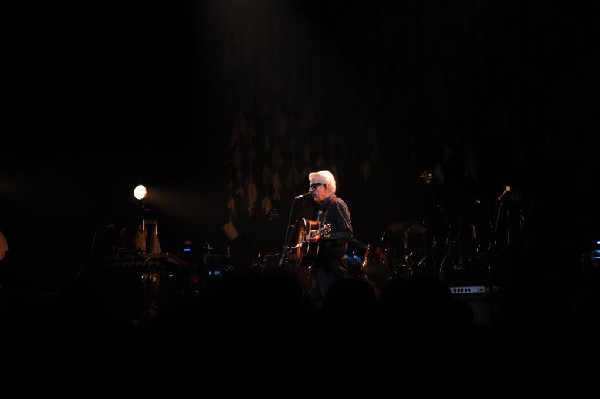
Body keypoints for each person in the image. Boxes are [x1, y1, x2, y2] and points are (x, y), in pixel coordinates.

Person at [304, 170, 354, 310]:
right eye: (310, 186)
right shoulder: (322, 208)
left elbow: (347, 233)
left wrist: (324, 236)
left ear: (325, 186)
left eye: (314, 186)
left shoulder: (337, 204)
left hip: (333, 268)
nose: (310, 190)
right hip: (320, 266)